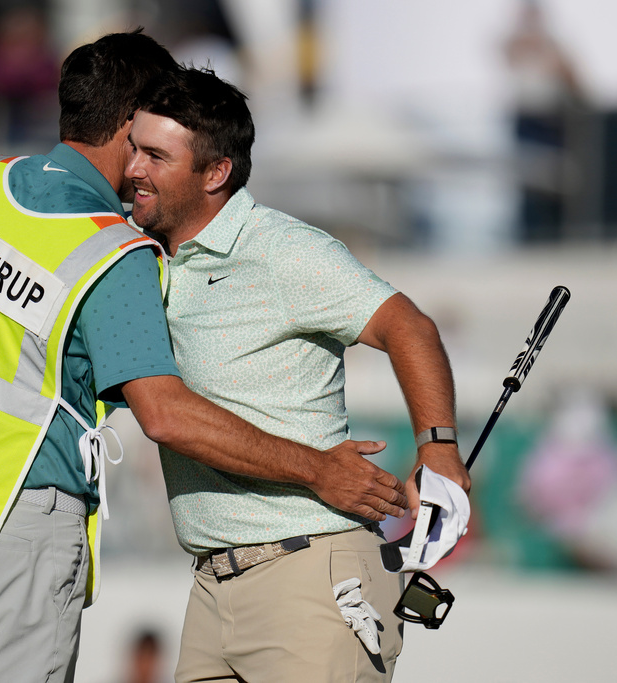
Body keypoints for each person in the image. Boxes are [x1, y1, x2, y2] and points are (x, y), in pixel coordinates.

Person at [0, 32, 406, 683]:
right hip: (14, 525)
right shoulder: (114, 253)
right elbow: (163, 413)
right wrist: (317, 470)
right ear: (130, 123)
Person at [123, 67, 470, 682]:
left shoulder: (283, 249)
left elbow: (409, 327)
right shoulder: (142, 252)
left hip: (313, 583)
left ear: (215, 173)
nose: (134, 170)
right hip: (209, 592)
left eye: (155, 156)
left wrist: (438, 449)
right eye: (134, 150)